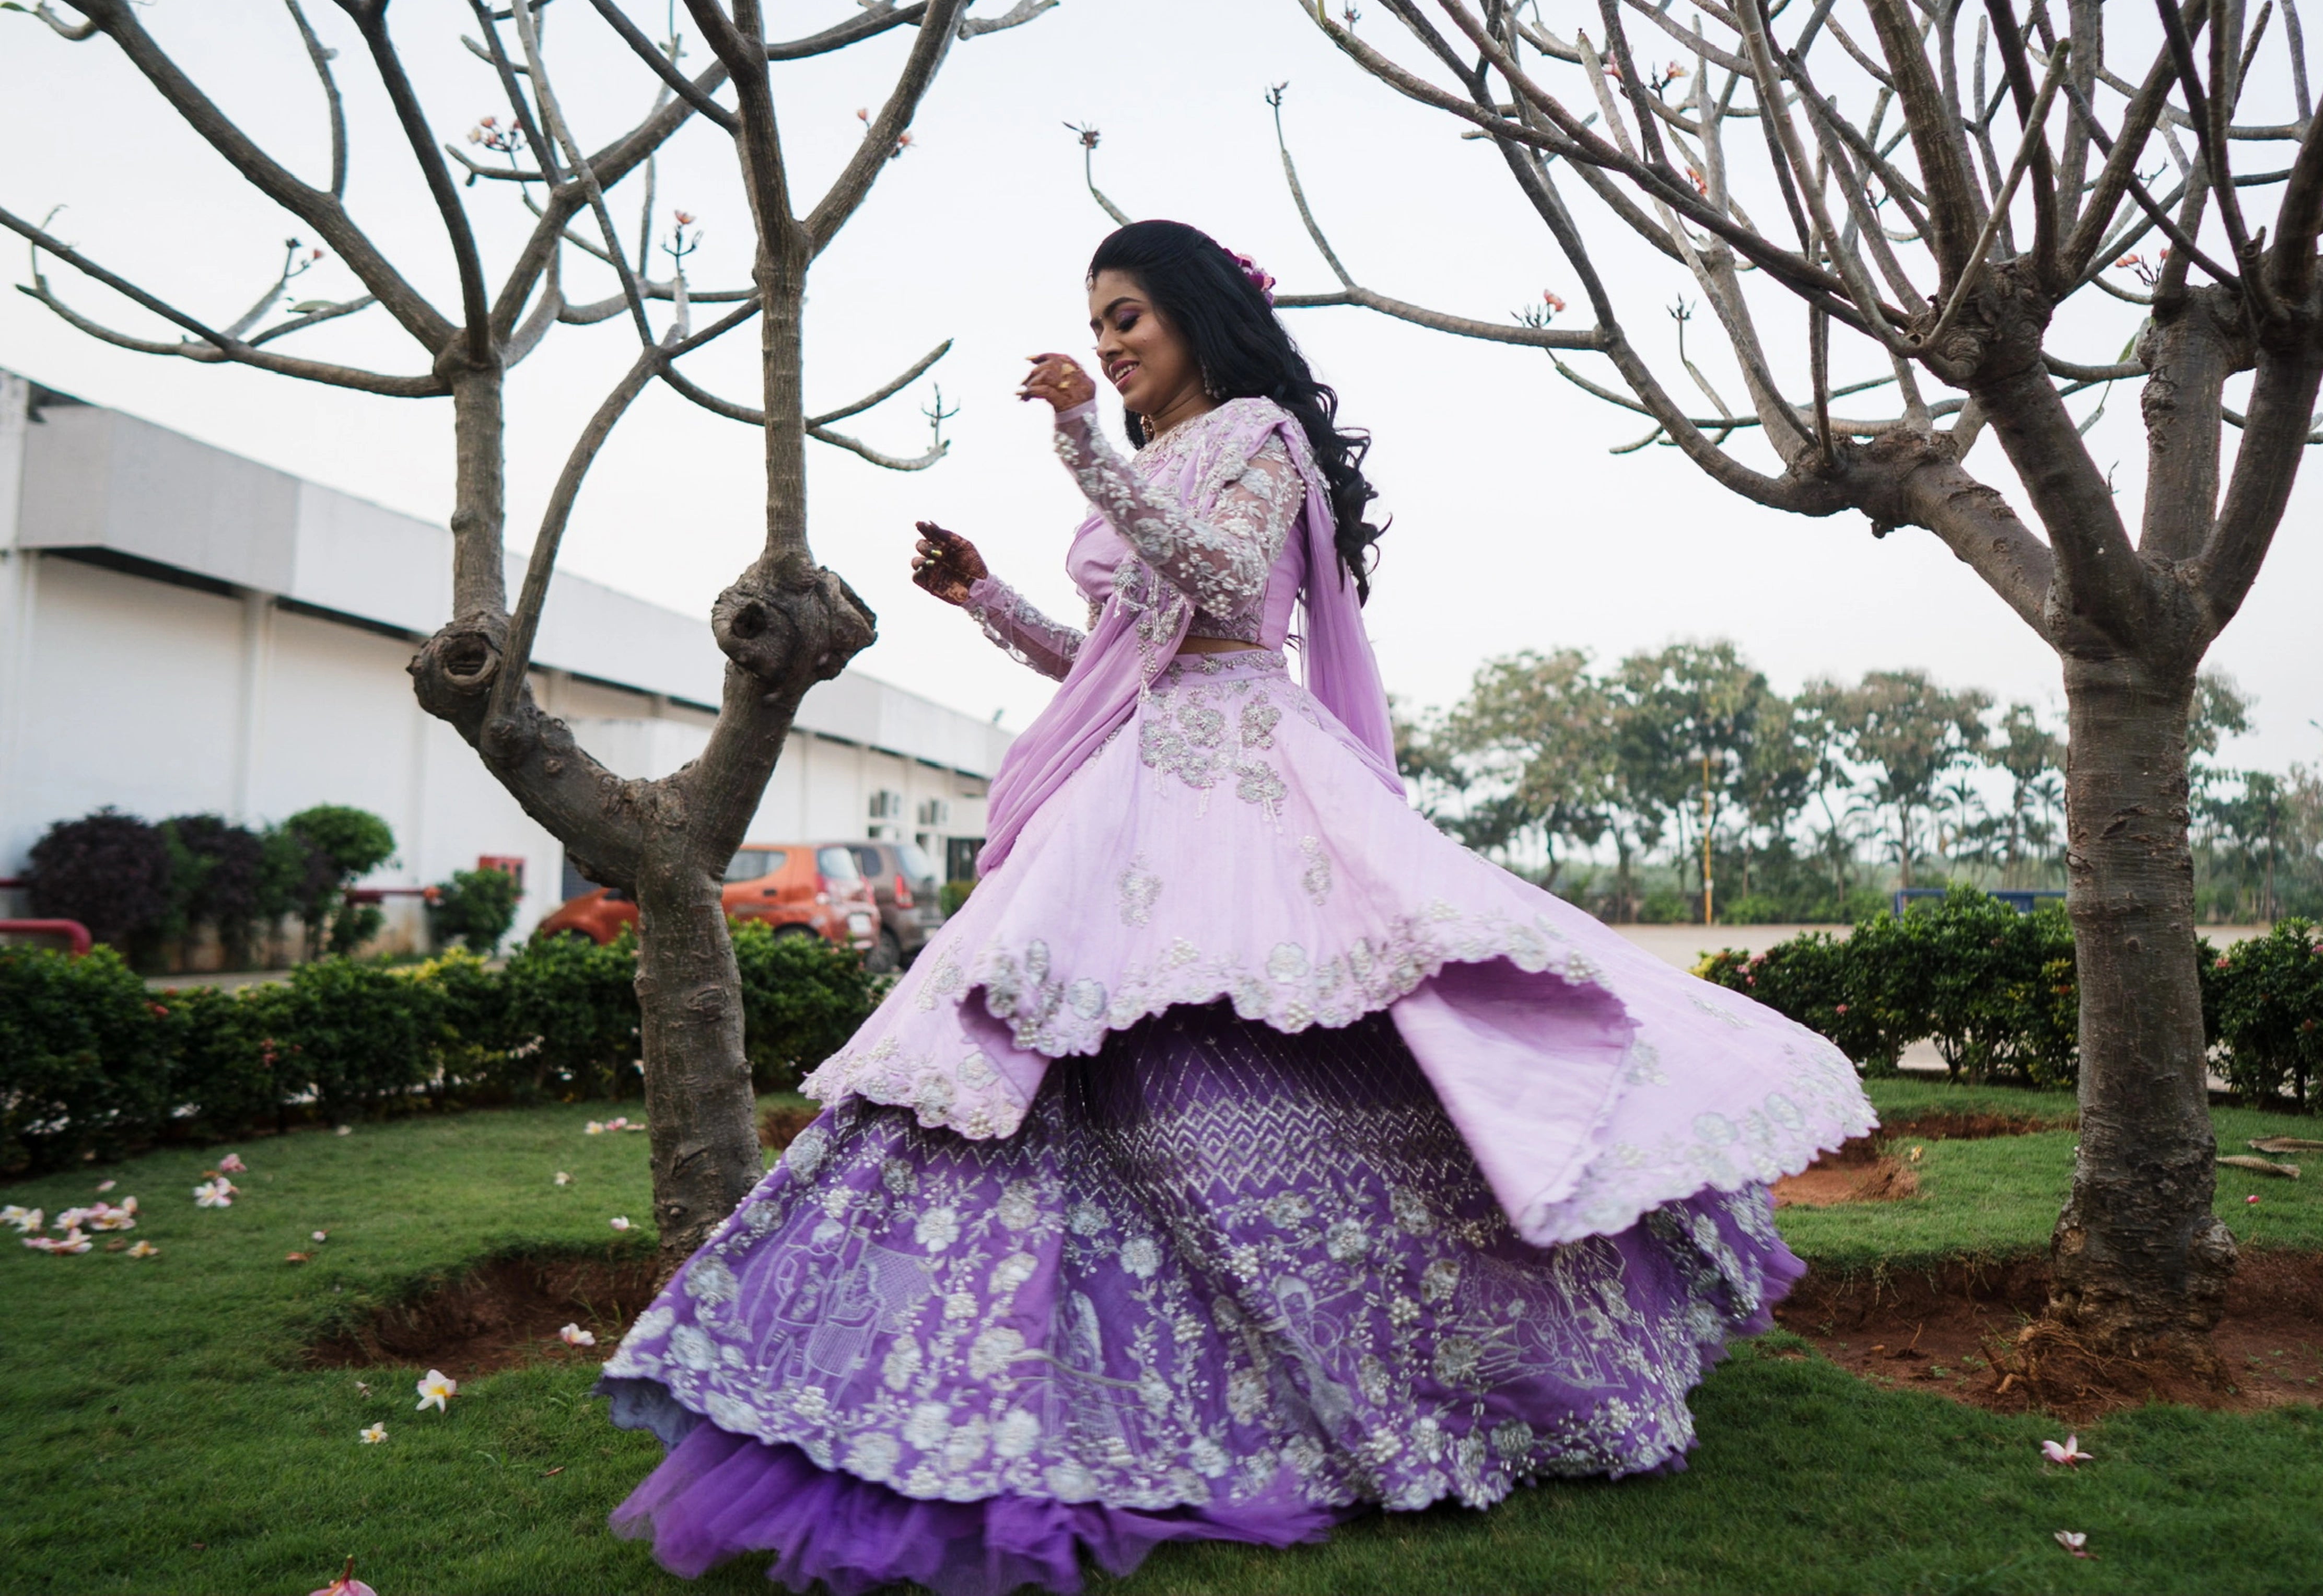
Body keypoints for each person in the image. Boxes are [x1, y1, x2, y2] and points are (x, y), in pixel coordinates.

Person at [597, 220, 1873, 1596]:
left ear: (1197, 315)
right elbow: (1113, 652)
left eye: (1128, 316)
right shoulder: (1152, 461)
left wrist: (1084, 447)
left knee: (1328, 1033)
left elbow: (1215, 588)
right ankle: (1080, 1378)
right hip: (1142, 775)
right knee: (1058, 1063)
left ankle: (1429, 1368)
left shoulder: (1261, 436)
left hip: (1256, 779)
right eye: (1095, 328)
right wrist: (984, 598)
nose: (1110, 345)